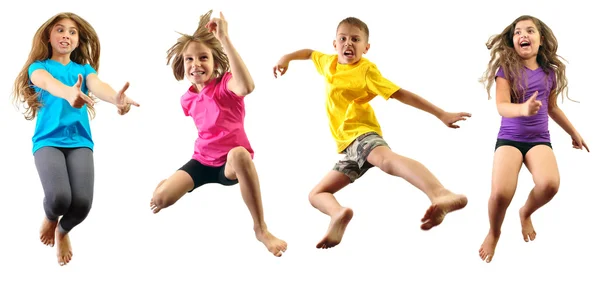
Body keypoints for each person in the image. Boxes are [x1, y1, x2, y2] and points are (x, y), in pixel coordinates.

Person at [273, 16, 470, 249]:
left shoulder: (366, 71)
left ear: (366, 48)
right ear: (334, 44)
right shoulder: (328, 63)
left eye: (355, 39)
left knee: (387, 161)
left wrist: (441, 113)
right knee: (317, 194)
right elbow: (308, 53)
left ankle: (440, 193)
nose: (348, 43)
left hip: (362, 134)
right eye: (343, 38)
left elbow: (400, 93)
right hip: (349, 148)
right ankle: (337, 214)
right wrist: (286, 58)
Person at [149, 10, 288, 257]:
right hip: (202, 162)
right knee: (160, 200)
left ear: (215, 62)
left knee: (239, 154)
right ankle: (167, 186)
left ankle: (261, 229)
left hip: (229, 165)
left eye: (203, 57)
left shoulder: (225, 85)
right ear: (182, 64)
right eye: (189, 59)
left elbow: (247, 86)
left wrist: (224, 38)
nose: (196, 64)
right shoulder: (187, 99)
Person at [11, 12, 139, 266]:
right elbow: (47, 83)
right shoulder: (39, 68)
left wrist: (116, 98)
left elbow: (98, 84)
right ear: (49, 36)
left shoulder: (83, 70)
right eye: (60, 30)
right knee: (59, 199)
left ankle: (62, 231)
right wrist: (69, 92)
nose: (66, 36)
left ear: (78, 41)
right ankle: (50, 217)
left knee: (81, 204)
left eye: (72, 32)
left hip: (80, 141)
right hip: (48, 141)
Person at [478, 15, 590, 263]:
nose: (523, 35)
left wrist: (574, 132)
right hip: (510, 138)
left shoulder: (549, 74)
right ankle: (494, 232)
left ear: (541, 40)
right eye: (518, 32)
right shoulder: (506, 70)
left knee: (550, 184)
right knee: (500, 194)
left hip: (539, 139)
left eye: (529, 31)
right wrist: (523, 109)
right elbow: (502, 106)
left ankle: (525, 212)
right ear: (513, 40)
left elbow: (552, 108)